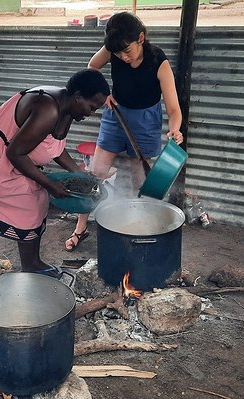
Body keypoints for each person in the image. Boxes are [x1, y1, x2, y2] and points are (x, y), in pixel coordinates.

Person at [0, 69, 110, 277]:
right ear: (78, 96)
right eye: (91, 107)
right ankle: (31, 265)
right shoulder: (48, 109)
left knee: (36, 201)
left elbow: (53, 145)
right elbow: (15, 153)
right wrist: (50, 184)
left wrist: (78, 172)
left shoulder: (67, 105)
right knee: (29, 204)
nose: (91, 113)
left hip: (12, 151)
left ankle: (32, 263)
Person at [65, 12, 184, 252]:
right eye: (118, 54)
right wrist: (104, 93)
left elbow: (173, 108)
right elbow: (92, 66)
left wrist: (174, 130)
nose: (123, 57)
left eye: (127, 51)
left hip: (146, 122)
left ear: (141, 38)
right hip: (115, 116)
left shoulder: (158, 62)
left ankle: (140, 227)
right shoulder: (114, 48)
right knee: (96, 172)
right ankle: (81, 227)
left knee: (141, 180)